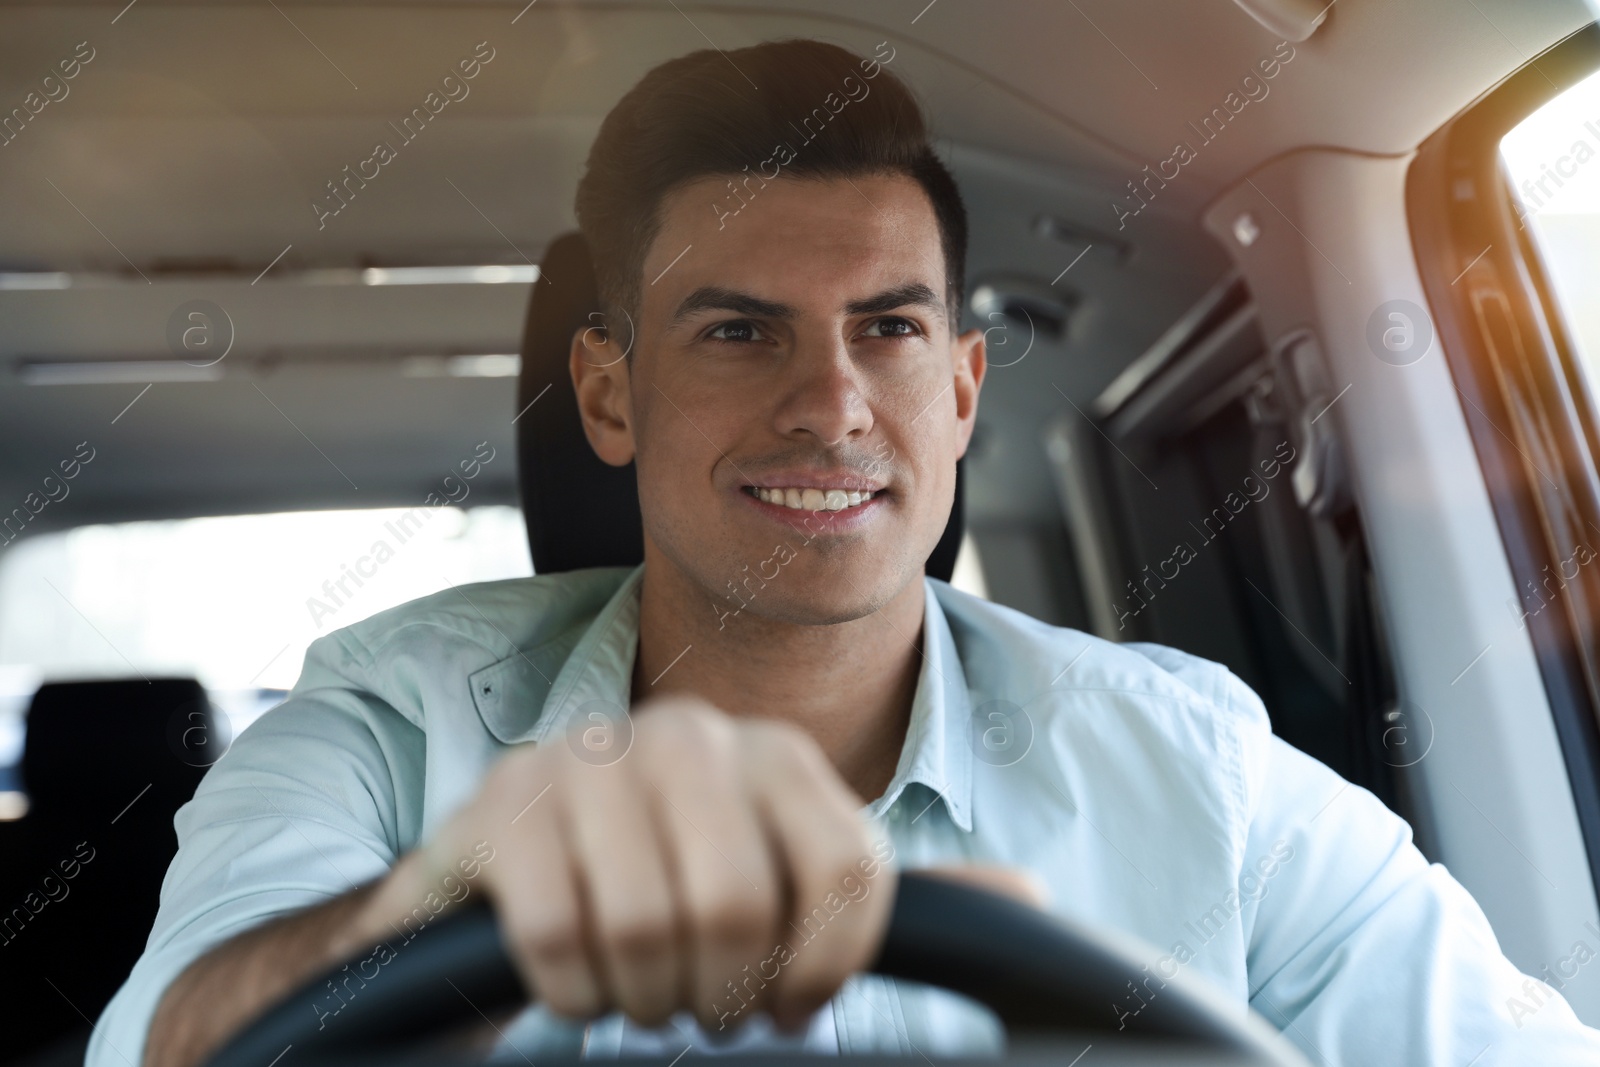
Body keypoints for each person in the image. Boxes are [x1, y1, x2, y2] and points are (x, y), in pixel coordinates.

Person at [94, 39, 1600, 1067]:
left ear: (957, 393)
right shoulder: (385, 721)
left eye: (886, 330)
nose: (830, 408)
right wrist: (452, 905)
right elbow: (178, 1037)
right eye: (738, 331)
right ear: (612, 395)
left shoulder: (1201, 774)